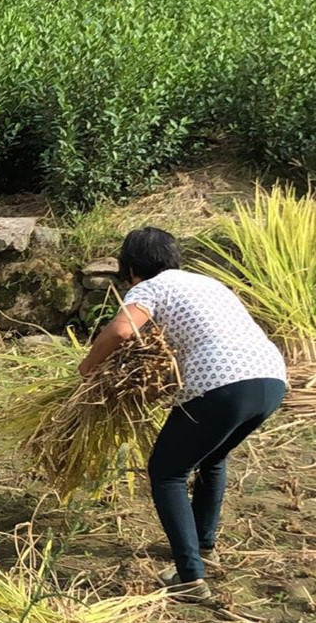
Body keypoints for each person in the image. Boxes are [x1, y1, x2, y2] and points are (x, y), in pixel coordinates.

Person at [78, 226, 287, 602]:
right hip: (271, 380)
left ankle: (190, 579)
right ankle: (204, 545)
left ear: (130, 267)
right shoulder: (207, 283)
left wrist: (88, 366)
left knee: (166, 471)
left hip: (223, 385)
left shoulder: (149, 287)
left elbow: (123, 332)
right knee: (213, 456)